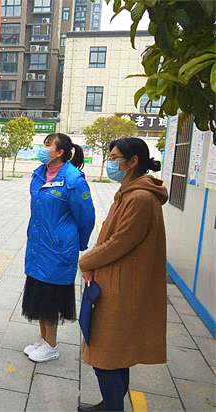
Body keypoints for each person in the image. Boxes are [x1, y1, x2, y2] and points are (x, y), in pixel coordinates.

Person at [78, 138, 167, 411]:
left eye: (115, 158)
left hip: (122, 289)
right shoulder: (128, 193)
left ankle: (113, 407)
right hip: (116, 281)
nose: (111, 163)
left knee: (105, 357)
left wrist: (86, 260)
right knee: (117, 354)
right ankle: (109, 404)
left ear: (133, 161)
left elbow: (120, 242)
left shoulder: (139, 198)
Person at [23, 133, 95, 362]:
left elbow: (87, 218)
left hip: (58, 248)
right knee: (39, 293)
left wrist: (76, 244)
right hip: (38, 244)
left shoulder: (73, 180)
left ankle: (51, 346)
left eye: (47, 145)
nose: (41, 148)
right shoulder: (39, 174)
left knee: (50, 297)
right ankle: (44, 339)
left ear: (60, 152)